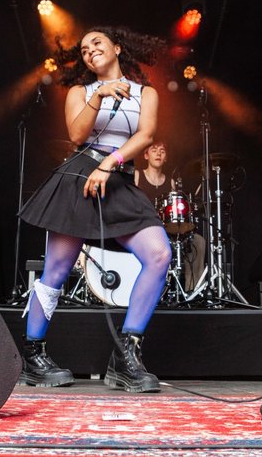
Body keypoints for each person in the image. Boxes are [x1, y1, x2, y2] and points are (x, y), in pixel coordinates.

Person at [18, 27, 172, 393]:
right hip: (79, 177)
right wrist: (99, 96)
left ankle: (125, 356)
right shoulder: (81, 92)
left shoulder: (145, 93)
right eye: (84, 50)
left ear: (117, 48)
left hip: (117, 177)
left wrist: (110, 163)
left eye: (97, 43)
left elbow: (146, 135)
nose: (90, 51)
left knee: (159, 254)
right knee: (56, 271)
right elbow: (76, 135)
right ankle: (33, 357)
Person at [135, 142, 206, 292]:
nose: (158, 153)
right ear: (146, 155)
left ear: (166, 158)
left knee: (198, 241)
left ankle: (192, 292)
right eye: (154, 150)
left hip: (167, 230)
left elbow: (175, 211)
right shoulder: (137, 176)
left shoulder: (171, 182)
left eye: (162, 151)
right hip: (143, 229)